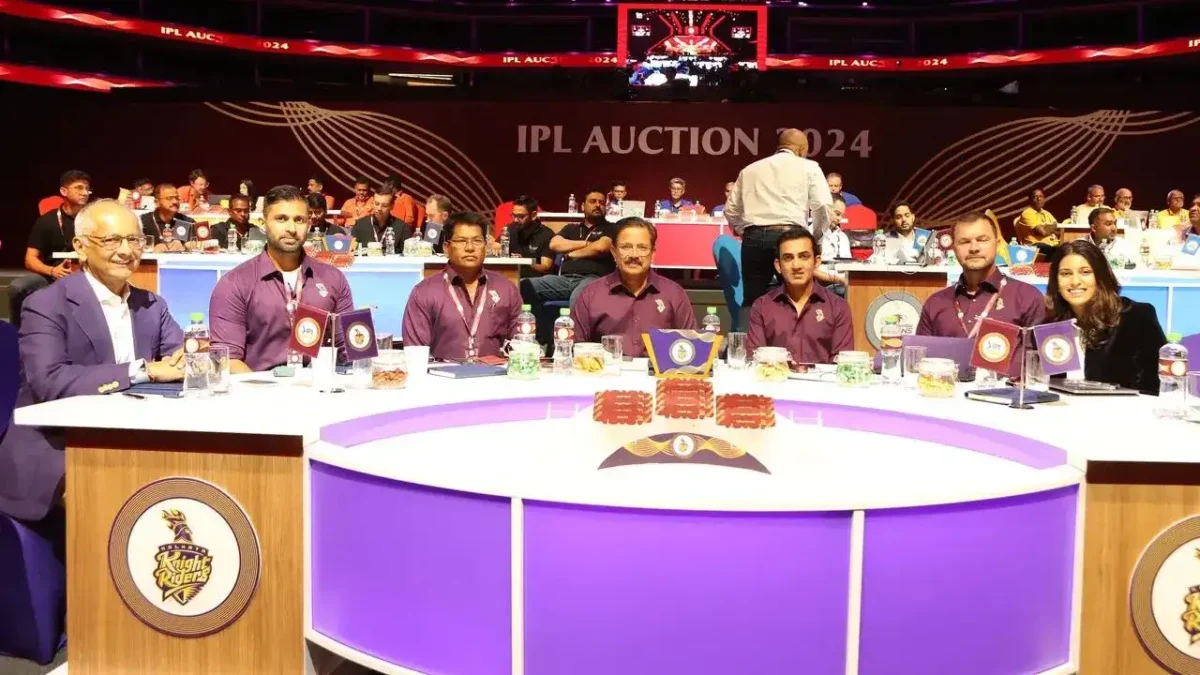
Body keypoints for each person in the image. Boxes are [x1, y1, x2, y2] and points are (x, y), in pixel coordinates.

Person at [1, 199, 183, 524]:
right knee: (116, 505)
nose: (126, 250)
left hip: (135, 440)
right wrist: (142, 371)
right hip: (60, 445)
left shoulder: (152, 305)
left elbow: (178, 361)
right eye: (112, 240)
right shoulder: (46, 304)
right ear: (80, 247)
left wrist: (193, 361)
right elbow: (50, 381)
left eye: (134, 240)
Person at [209, 185, 355, 373]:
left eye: (299, 220)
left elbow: (350, 349)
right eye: (281, 219)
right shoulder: (234, 284)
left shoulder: (333, 279)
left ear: (309, 224)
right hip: (257, 386)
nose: (291, 228)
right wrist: (265, 390)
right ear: (263, 223)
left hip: (319, 385)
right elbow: (227, 359)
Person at [724, 129, 833, 322]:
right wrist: (815, 240)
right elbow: (823, 206)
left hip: (754, 237)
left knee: (752, 301)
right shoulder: (809, 167)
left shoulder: (749, 170)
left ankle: (748, 340)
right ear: (802, 149)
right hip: (792, 238)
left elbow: (730, 210)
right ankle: (799, 339)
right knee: (799, 297)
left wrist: (745, 231)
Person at [1045, 239, 1166, 394]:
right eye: (1066, 274)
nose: (1075, 281)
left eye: (1085, 272)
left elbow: (1155, 385)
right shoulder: (1051, 324)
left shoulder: (1136, 316)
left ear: (1100, 276)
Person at [401, 212, 521, 362]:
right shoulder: (425, 292)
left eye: (477, 241)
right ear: (446, 248)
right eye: (461, 241)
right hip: (442, 375)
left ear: (486, 246)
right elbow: (415, 352)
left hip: (496, 374)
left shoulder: (506, 289)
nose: (470, 248)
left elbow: (522, 345)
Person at [571, 217, 695, 357]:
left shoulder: (674, 294)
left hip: (655, 370)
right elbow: (577, 349)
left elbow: (691, 350)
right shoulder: (591, 295)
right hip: (608, 369)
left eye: (642, 248)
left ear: (653, 253)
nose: (634, 255)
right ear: (613, 251)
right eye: (626, 247)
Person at [917, 211, 1045, 339]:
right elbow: (920, 350)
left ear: (997, 244)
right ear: (954, 248)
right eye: (964, 242)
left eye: (982, 240)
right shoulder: (934, 304)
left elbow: (1037, 351)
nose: (974, 248)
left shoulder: (1028, 298)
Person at [746, 228, 853, 364]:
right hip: (775, 377)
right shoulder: (762, 307)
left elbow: (843, 363)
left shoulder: (838, 307)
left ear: (816, 262)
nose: (796, 266)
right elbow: (755, 360)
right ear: (778, 266)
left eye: (803, 257)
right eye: (788, 258)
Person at [9, 170, 91, 329]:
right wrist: (53, 271)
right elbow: (30, 259)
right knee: (18, 287)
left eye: (87, 189)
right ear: (64, 191)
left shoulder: (94, 219)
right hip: (53, 275)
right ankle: (15, 334)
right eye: (79, 188)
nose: (85, 192)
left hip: (86, 274)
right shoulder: (47, 221)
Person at [521, 188, 615, 308]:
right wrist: (587, 244)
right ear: (583, 206)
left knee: (579, 298)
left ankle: (573, 321)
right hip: (565, 280)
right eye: (593, 201)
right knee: (523, 285)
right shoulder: (571, 228)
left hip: (594, 279)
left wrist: (571, 253)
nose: (597, 205)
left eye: (601, 202)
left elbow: (601, 247)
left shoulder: (611, 228)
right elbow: (554, 244)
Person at [500, 195, 554, 275]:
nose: (515, 220)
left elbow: (545, 267)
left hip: (534, 278)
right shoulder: (510, 229)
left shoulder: (546, 234)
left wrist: (524, 262)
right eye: (514, 215)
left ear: (533, 215)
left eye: (521, 216)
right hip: (511, 276)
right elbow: (496, 246)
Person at [139, 183, 195, 252]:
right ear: (157, 202)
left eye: (177, 198)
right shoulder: (143, 222)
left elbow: (198, 247)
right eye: (169, 198)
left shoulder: (187, 222)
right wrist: (151, 248)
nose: (175, 201)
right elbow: (134, 246)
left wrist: (185, 247)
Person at [1016, 188, 1060, 256]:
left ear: (1044, 199)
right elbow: (1042, 232)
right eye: (1035, 197)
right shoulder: (1027, 213)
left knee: (1067, 247)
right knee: (1057, 250)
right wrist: (1051, 228)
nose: (1039, 199)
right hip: (1034, 246)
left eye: (1041, 196)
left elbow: (1059, 231)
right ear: (1030, 200)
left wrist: (1045, 227)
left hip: (1052, 244)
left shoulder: (1047, 213)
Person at [821, 195, 852, 260]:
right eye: (837, 214)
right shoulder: (810, 233)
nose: (839, 219)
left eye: (842, 215)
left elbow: (848, 263)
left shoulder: (843, 237)